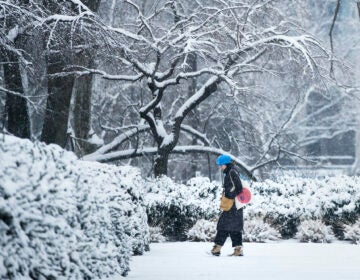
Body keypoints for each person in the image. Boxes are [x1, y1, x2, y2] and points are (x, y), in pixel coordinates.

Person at [211, 154, 244, 256]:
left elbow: (239, 187)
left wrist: (229, 195)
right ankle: (238, 250)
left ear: (226, 164)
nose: (220, 167)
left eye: (221, 165)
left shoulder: (231, 172)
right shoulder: (231, 171)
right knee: (234, 227)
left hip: (232, 205)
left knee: (223, 226)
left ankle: (217, 248)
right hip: (235, 206)